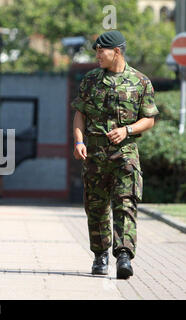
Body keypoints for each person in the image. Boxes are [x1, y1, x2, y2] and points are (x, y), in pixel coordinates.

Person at [71, 30, 159, 279]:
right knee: (96, 207)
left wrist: (128, 129)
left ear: (117, 52)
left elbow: (149, 119)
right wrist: (79, 141)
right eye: (96, 51)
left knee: (125, 203)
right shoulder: (90, 80)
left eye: (101, 52)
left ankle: (123, 256)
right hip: (95, 153)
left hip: (125, 153)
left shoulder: (141, 81)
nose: (98, 56)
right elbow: (80, 113)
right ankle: (100, 255)